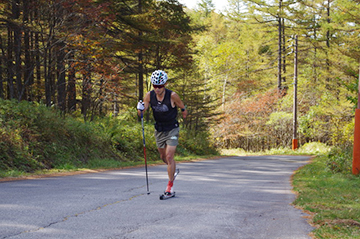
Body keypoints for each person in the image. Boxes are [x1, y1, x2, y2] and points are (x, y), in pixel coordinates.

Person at [137, 70, 187, 197]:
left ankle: (169, 187)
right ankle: (173, 169)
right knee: (163, 157)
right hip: (159, 129)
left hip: (172, 128)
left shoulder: (172, 95)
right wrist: (140, 108)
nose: (157, 89)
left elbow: (182, 106)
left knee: (169, 156)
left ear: (164, 84)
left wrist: (184, 112)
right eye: (155, 86)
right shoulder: (149, 95)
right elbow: (142, 113)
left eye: (160, 86)